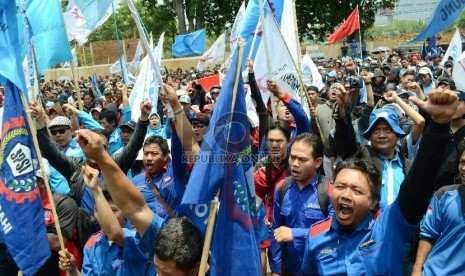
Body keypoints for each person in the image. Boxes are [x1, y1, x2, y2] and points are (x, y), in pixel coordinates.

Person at [301, 89, 458, 275]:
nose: (345, 194)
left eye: (357, 190)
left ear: (374, 201)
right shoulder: (316, 236)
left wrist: (439, 126)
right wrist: (342, 114)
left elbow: (419, 185)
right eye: (341, 186)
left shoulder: (388, 225)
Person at [73, 87, 203, 275]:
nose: (149, 158)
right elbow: (134, 207)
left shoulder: (216, 249)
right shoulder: (155, 236)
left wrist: (177, 108)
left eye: (166, 274)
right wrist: (101, 157)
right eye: (157, 270)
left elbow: (192, 151)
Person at [30, 101, 150, 214]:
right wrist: (40, 122)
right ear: (84, 147)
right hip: (87, 230)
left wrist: (143, 118)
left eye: (101, 146)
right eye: (90, 144)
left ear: (107, 149)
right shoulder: (75, 168)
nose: (95, 149)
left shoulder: (115, 164)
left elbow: (134, 146)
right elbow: (50, 151)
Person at [58, 165, 149, 276]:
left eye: (113, 210)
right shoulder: (91, 244)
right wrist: (73, 270)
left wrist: (95, 189)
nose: (104, 216)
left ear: (125, 211)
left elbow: (116, 234)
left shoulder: (140, 237)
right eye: (98, 210)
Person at [270, 133, 332, 276]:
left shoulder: (329, 191)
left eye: (302, 160)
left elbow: (334, 232)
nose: (295, 164)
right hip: (290, 268)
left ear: (318, 162)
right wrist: (276, 270)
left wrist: (295, 234)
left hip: (320, 270)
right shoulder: (282, 188)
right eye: (292, 157)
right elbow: (276, 230)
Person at [412, 145, 465, 275]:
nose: (464, 169)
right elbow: (428, 236)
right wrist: (417, 270)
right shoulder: (444, 195)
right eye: (462, 162)